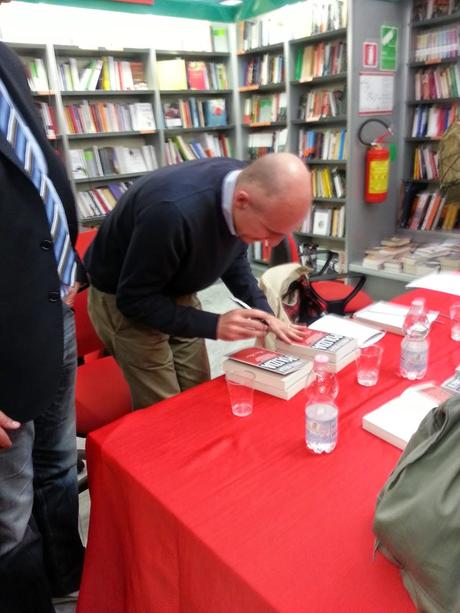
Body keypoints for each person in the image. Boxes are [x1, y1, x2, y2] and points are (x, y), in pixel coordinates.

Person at [85, 153, 311, 409]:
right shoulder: (171, 212)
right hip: (125, 298)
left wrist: (265, 311)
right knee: (164, 410)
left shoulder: (244, 185)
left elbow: (233, 257)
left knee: (199, 392)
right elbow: (134, 300)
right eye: (271, 231)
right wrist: (214, 324)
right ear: (242, 202)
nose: (273, 243)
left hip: (176, 286)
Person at [0, 40, 85, 613]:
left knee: (57, 462)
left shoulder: (6, 59)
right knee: (10, 509)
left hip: (50, 309)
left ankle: (66, 583)